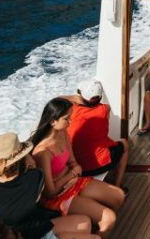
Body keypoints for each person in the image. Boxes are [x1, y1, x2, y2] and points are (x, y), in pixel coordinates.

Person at [0, 132, 95, 239]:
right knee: (86, 224)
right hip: (31, 231)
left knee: (84, 224)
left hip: (8, 233)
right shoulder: (33, 178)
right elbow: (33, 165)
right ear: (22, 158)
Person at [30, 98, 125, 236]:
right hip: (59, 196)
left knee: (118, 196)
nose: (70, 122)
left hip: (74, 182)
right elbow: (49, 192)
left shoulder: (63, 134)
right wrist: (72, 174)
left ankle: (94, 226)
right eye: (66, 119)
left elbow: (73, 162)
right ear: (52, 121)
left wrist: (75, 168)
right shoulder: (42, 152)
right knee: (109, 219)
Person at [63, 78, 130, 187]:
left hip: (76, 168)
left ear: (80, 96)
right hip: (102, 165)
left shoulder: (71, 110)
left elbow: (57, 99)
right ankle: (117, 185)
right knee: (124, 143)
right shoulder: (105, 109)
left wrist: (74, 98)